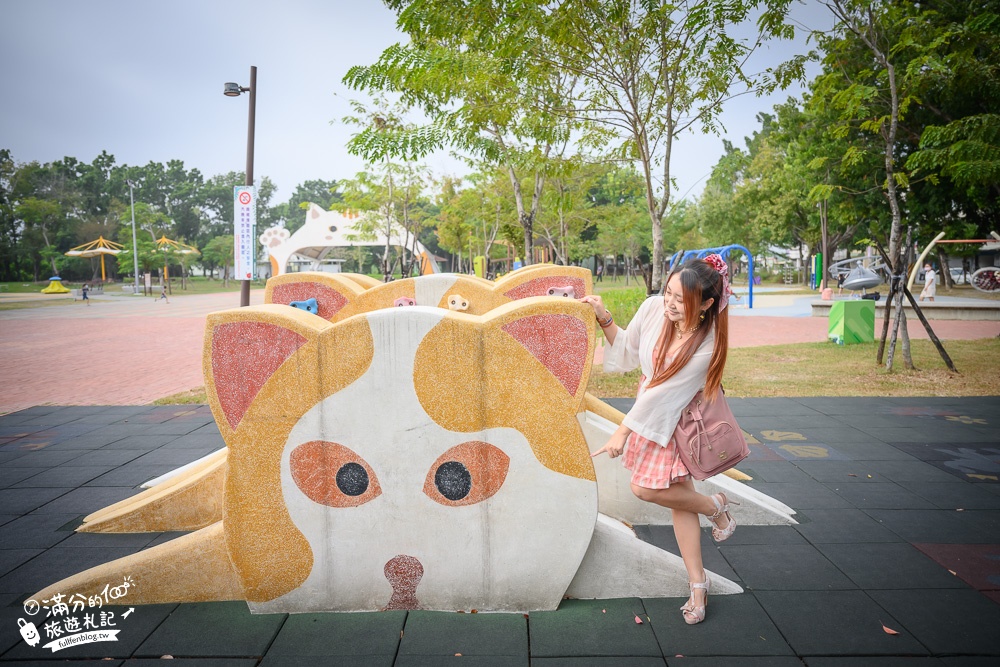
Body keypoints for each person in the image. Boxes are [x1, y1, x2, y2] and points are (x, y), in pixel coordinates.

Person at [580, 255, 735, 625]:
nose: (670, 303)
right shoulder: (653, 309)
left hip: (680, 419)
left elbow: (665, 392)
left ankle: (712, 510)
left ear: (708, 305)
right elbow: (629, 351)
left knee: (645, 490)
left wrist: (622, 431)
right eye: (669, 293)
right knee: (679, 500)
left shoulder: (709, 341)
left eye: (681, 300)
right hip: (651, 414)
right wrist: (604, 316)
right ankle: (700, 576)